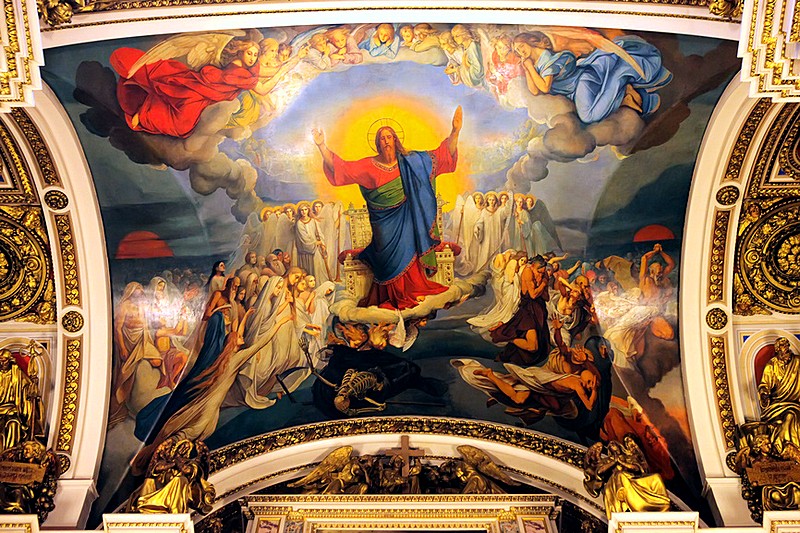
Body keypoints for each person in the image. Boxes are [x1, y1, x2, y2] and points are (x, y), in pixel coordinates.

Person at [312, 106, 462, 309]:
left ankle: (411, 291)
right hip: (383, 224)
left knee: (411, 241)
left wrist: (455, 132)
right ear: (377, 143)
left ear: (395, 140)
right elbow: (341, 168)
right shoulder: (368, 166)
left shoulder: (411, 161)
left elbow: (441, 157)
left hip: (407, 219)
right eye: (382, 138)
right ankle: (390, 296)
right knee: (386, 259)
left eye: (389, 137)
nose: (386, 141)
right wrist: (322, 146)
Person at [111, 39, 265, 138]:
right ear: (241, 52)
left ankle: (147, 110)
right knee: (181, 121)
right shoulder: (243, 74)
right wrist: (285, 68)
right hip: (202, 90)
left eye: (255, 55)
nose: (252, 58)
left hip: (206, 94)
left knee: (182, 121)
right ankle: (144, 115)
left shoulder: (247, 72)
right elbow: (262, 89)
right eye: (249, 53)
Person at [512, 31, 671, 124]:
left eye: (521, 47)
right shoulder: (537, 64)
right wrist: (527, 67)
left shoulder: (547, 59)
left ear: (532, 42)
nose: (520, 52)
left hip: (584, 80)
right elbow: (535, 91)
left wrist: (530, 67)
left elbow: (545, 87)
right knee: (588, 117)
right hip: (575, 91)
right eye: (517, 51)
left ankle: (621, 79)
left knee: (588, 117)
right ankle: (625, 97)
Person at [491, 255, 551, 365]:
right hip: (528, 311)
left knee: (537, 349)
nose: (541, 274)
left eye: (543, 273)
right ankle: (509, 338)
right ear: (533, 266)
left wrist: (542, 283)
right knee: (532, 346)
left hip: (539, 311)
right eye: (539, 272)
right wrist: (543, 283)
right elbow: (533, 295)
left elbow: (547, 297)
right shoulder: (528, 272)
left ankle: (510, 337)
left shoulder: (544, 275)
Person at [758, 337, 800, 462]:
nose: (785, 353)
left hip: (794, 403)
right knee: (790, 416)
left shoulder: (797, 362)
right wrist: (764, 394)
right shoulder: (772, 364)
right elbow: (764, 384)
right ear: (777, 351)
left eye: (786, 349)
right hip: (777, 404)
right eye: (782, 350)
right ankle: (782, 447)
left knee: (793, 414)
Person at [0, 349, 40, 452]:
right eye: (0, 360)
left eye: (4, 360)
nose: (2, 363)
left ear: (10, 360)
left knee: (13, 424)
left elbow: (26, 386)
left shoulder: (17, 374)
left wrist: (33, 385)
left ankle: (9, 454)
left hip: (11, 409)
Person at [294, 202, 330, 283]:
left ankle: (319, 283)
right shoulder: (299, 223)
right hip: (305, 250)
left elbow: (319, 233)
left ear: (308, 210)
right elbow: (304, 238)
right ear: (300, 212)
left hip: (316, 249)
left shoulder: (313, 221)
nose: (304, 212)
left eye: (305, 209)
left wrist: (322, 243)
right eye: (302, 210)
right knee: (308, 269)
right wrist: (317, 243)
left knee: (318, 267)